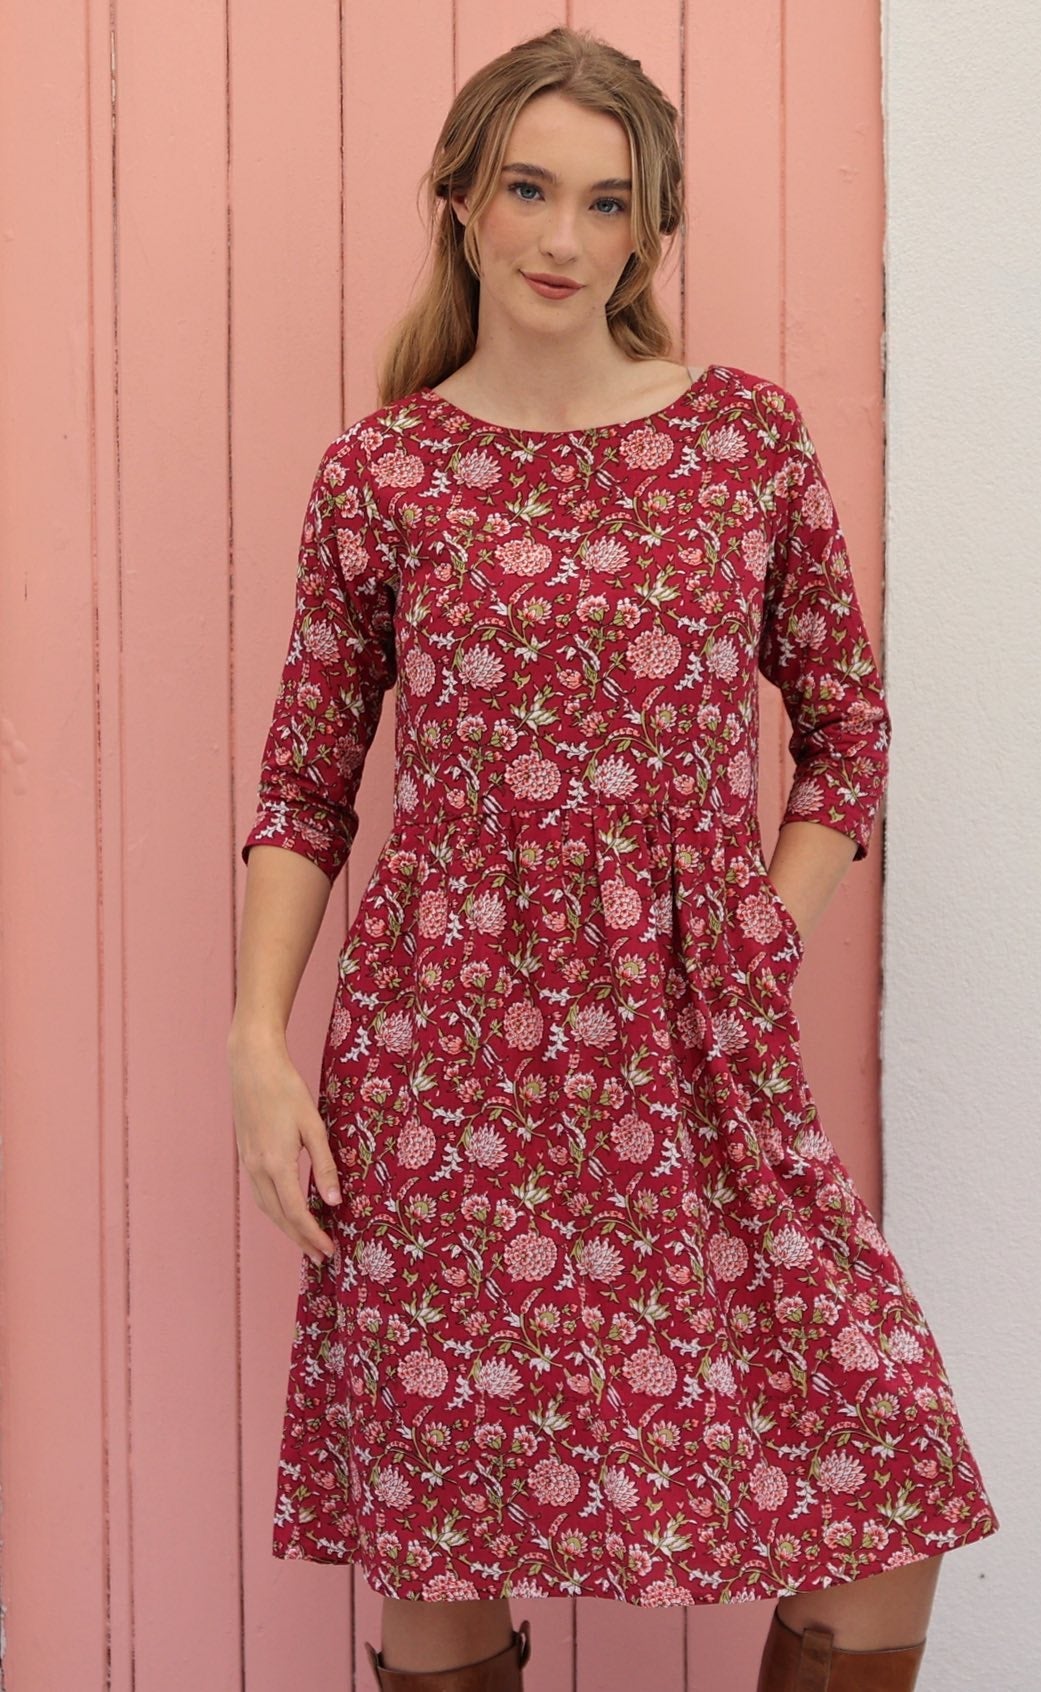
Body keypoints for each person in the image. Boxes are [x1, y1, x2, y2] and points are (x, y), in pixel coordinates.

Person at [228, 24, 999, 1692]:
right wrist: (255, 1043)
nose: (561, 239)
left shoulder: (744, 444)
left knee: (884, 1473)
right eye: (526, 190)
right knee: (447, 1535)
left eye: (605, 201)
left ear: (651, 231)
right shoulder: (387, 473)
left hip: (698, 1051)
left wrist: (759, 940)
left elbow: (848, 736)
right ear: (460, 202)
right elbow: (304, 787)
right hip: (441, 1062)